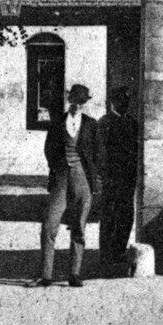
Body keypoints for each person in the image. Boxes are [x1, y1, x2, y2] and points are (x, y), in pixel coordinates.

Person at [37, 82, 102, 288]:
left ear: (84, 104)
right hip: (61, 178)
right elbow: (49, 149)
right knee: (49, 224)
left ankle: (74, 273)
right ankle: (46, 275)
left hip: (82, 179)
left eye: (81, 103)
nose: (76, 106)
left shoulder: (91, 125)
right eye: (74, 101)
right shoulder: (57, 123)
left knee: (79, 226)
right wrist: (57, 167)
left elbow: (99, 154)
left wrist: (94, 180)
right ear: (69, 100)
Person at [98, 85, 140, 272]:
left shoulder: (133, 123)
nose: (125, 104)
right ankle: (106, 254)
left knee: (126, 214)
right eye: (121, 101)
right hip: (111, 178)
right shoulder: (104, 123)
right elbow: (100, 153)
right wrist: (104, 175)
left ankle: (119, 250)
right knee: (109, 215)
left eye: (127, 102)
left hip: (128, 178)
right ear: (113, 102)